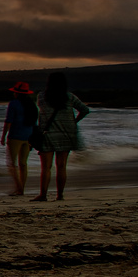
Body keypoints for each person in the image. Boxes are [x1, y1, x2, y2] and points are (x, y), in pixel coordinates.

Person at [29, 72, 90, 202]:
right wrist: (74, 121)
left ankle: (43, 195)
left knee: (46, 167)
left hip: (48, 134)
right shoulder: (70, 97)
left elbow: (41, 114)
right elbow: (85, 110)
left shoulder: (41, 97)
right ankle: (60, 195)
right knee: (61, 166)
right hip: (67, 134)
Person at [0, 81, 38, 196]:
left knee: (12, 164)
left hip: (15, 136)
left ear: (16, 93)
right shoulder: (32, 104)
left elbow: (8, 121)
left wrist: (3, 136)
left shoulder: (13, 104)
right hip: (28, 136)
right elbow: (34, 122)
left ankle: (19, 188)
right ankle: (21, 188)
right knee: (23, 164)